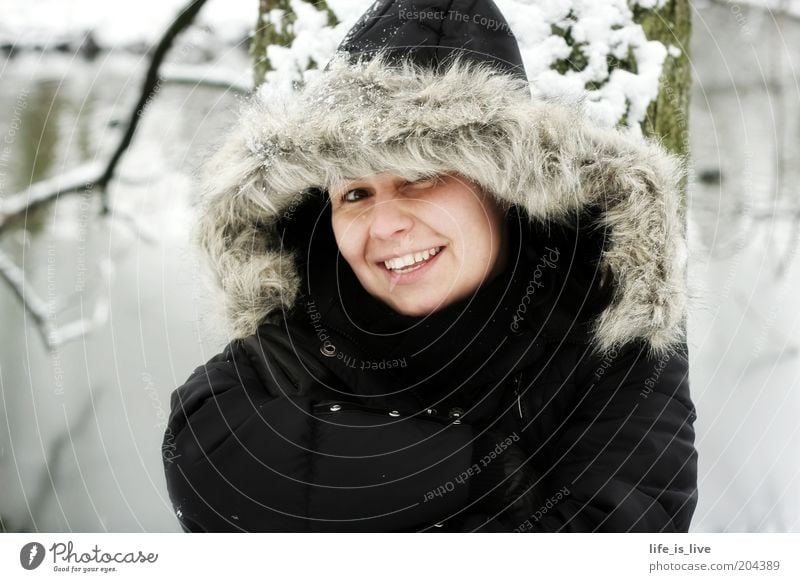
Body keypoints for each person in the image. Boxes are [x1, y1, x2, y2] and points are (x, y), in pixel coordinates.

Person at [163, 0, 698, 532]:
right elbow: (209, 457)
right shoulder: (307, 315)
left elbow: (621, 532)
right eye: (354, 193)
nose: (384, 225)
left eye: (420, 177)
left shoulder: (610, 321)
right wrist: (490, 472)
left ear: (504, 184)